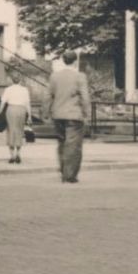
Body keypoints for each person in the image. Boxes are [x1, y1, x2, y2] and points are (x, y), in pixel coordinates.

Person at [45, 50, 93, 184]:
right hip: (74, 114)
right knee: (74, 145)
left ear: (63, 60)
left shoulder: (54, 76)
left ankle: (62, 169)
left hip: (58, 114)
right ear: (75, 61)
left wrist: (45, 112)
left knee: (61, 143)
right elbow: (85, 96)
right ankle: (70, 174)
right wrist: (87, 113)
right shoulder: (80, 76)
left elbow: (48, 95)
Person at [0, 74, 32, 165]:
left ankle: (12, 155)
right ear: (20, 80)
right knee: (19, 131)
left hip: (11, 110)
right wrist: (30, 116)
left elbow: (3, 102)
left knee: (11, 130)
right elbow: (27, 104)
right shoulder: (24, 90)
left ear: (12, 80)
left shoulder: (8, 89)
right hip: (21, 110)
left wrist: (0, 113)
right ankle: (18, 154)